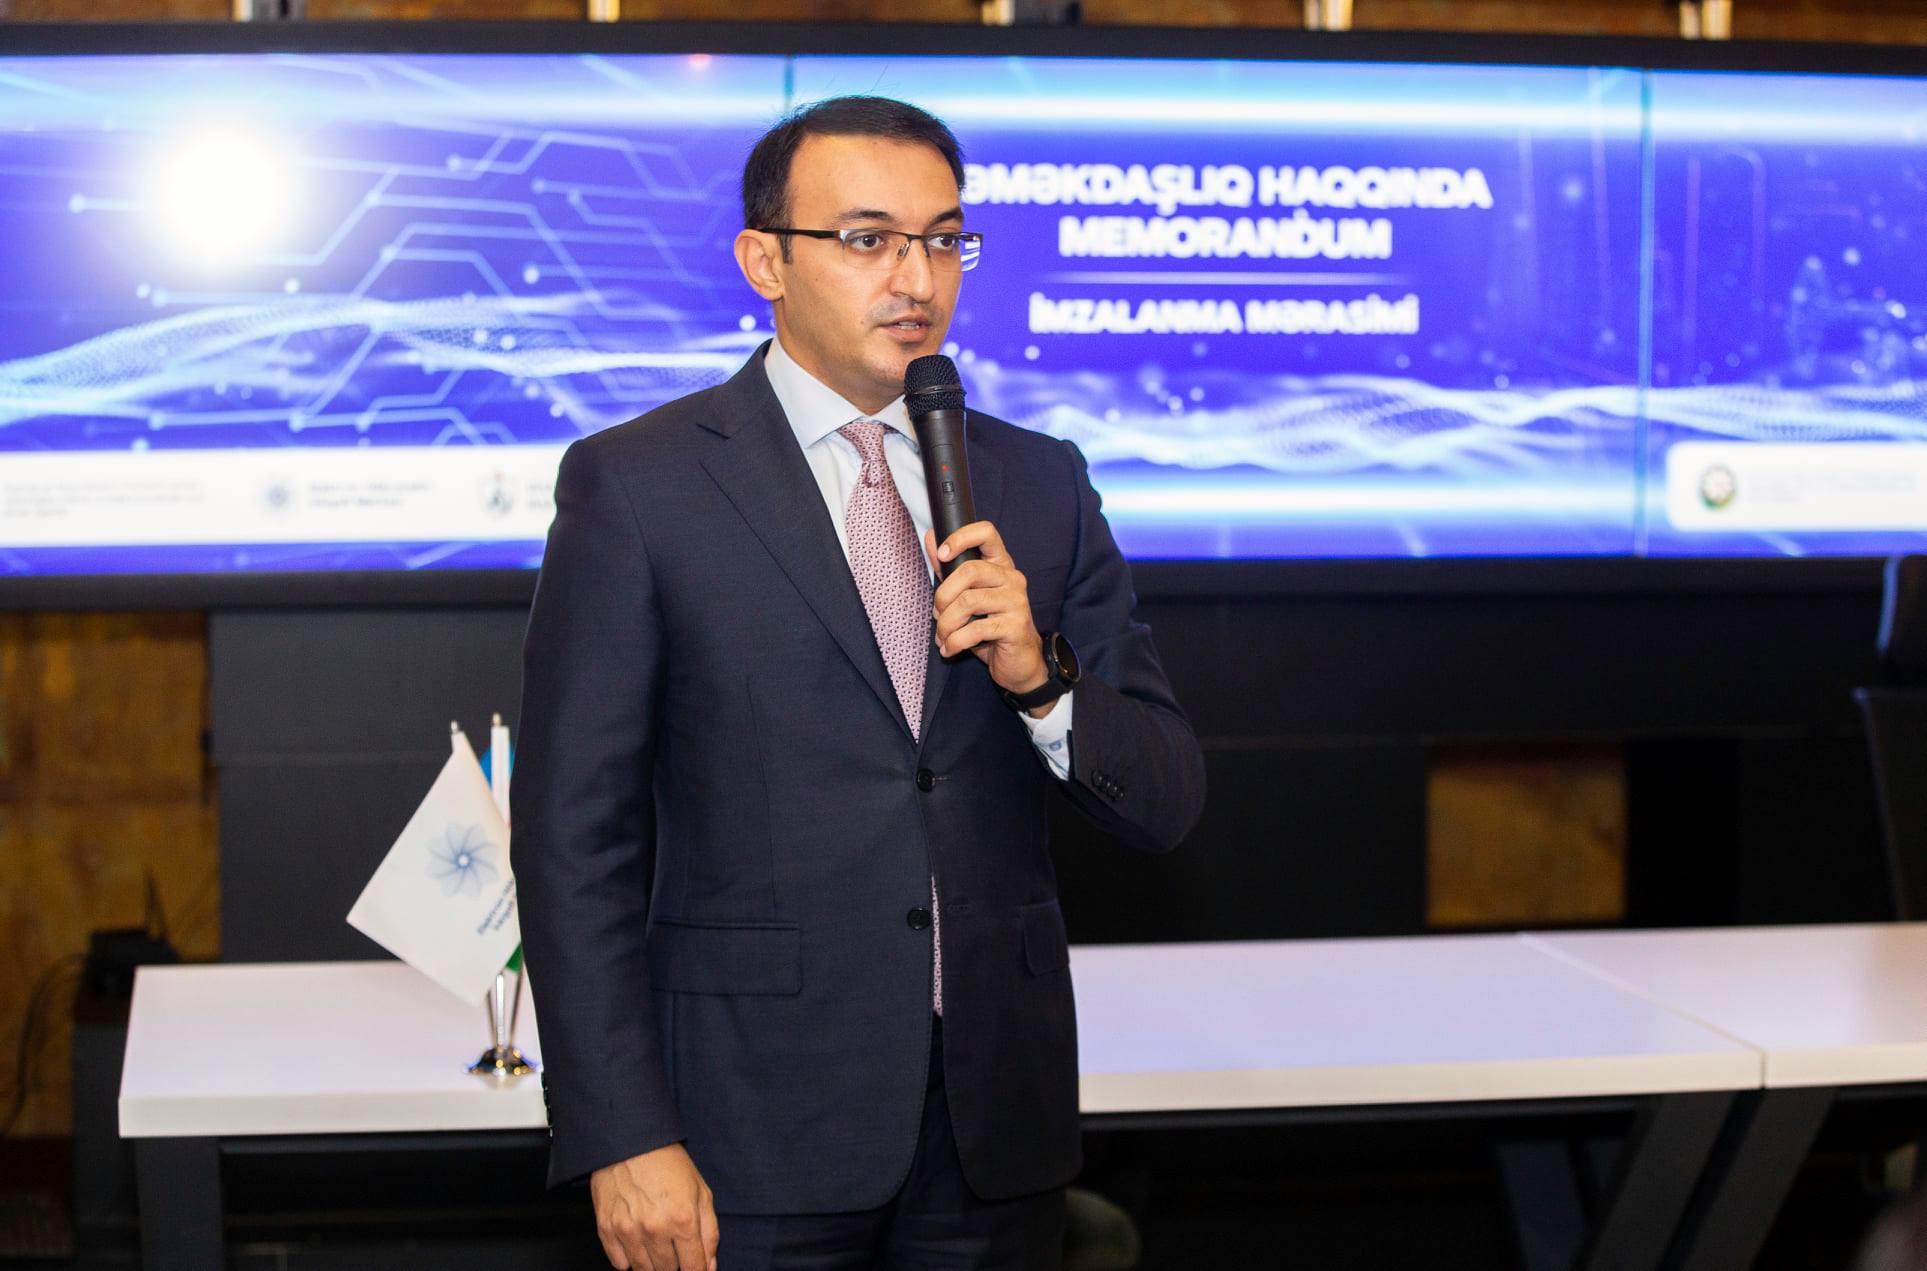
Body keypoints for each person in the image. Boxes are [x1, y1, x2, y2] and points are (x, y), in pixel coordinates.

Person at [510, 95, 1206, 1271]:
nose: (916, 278)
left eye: (943, 239)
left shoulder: (1039, 484)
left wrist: (1040, 682)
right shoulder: (639, 486)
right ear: (764, 262)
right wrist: (620, 1129)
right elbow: (575, 838)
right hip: (745, 1129)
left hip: (992, 1132)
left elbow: (1167, 798)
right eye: (868, 239)